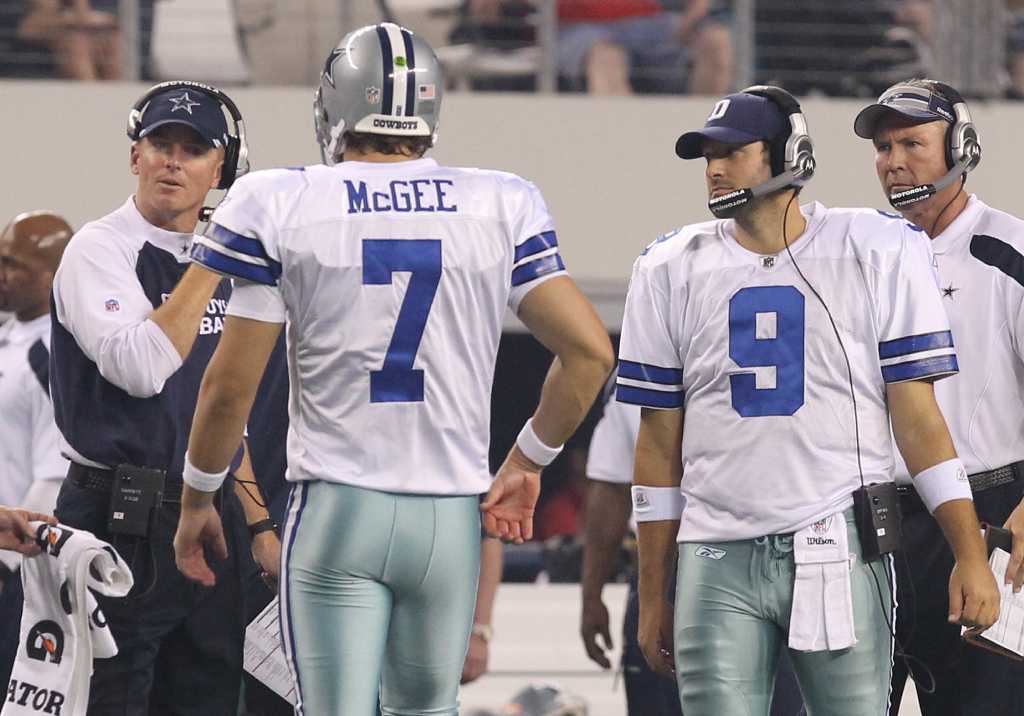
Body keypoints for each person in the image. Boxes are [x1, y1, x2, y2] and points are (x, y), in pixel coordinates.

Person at [172, 21, 614, 716]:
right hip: (448, 521)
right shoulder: (500, 201)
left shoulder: (282, 200)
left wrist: (199, 496)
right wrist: (528, 461)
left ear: (336, 106)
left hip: (339, 508)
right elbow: (590, 353)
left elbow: (229, 387)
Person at [620, 85, 999, 716]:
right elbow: (658, 441)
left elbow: (919, 421)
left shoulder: (876, 246)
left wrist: (968, 553)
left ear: (788, 155)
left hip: (837, 542)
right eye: (707, 155)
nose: (714, 169)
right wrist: (653, 591)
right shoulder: (669, 265)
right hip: (715, 550)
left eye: (733, 153)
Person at [49, 79, 280, 715]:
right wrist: (213, 258)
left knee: (205, 701)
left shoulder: (221, 263)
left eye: (193, 149)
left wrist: (259, 523)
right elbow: (141, 368)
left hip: (208, 508)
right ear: (135, 157)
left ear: (220, 172)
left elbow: (224, 409)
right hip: (117, 510)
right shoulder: (99, 248)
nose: (173, 160)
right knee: (110, 702)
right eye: (160, 144)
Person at [855, 78, 1024, 716]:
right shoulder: (859, 255)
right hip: (872, 520)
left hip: (992, 512)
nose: (893, 160)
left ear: (963, 146)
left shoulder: (1009, 251)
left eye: (912, 143)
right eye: (883, 146)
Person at [580, 393, 806, 715]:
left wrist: (592, 596)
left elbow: (611, 487)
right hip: (775, 555)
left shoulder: (648, 360)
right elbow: (611, 487)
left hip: (695, 563)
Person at [0, 210, 72, 690]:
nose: (1, 275)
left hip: (12, 565)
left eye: (13, 265)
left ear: (53, 276)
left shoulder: (53, 356)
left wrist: (6, 566)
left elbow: (53, 475)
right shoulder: (8, 336)